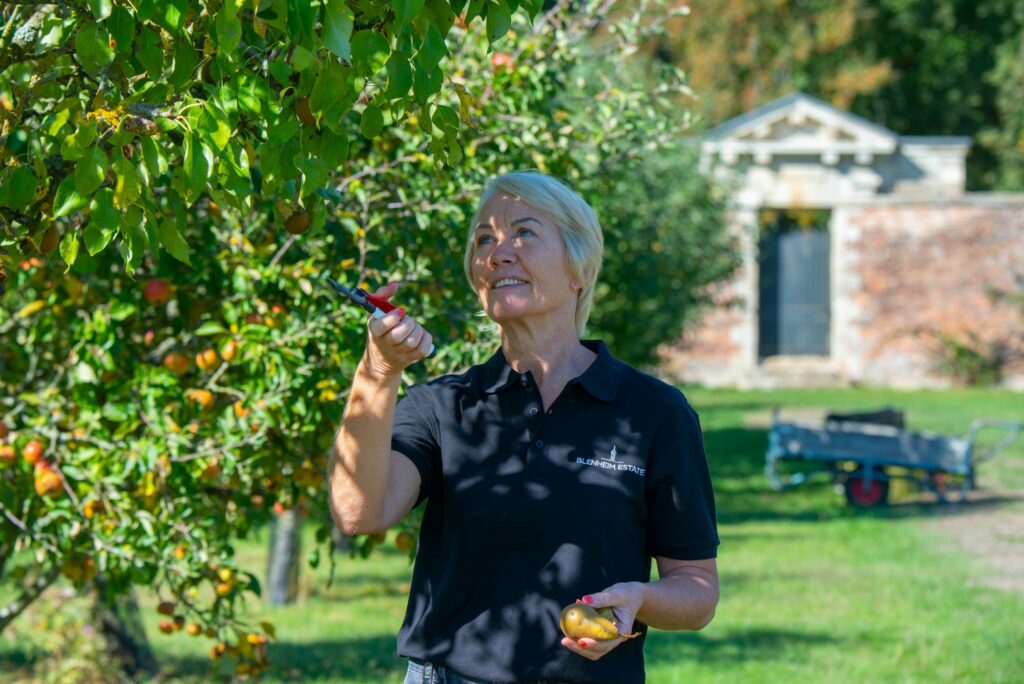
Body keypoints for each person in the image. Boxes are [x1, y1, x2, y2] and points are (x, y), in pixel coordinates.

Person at [329, 171, 719, 684]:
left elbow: (696, 589)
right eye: (483, 239)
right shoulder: (444, 405)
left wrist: (642, 600)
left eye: (524, 233)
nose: (497, 252)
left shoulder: (654, 413)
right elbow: (357, 512)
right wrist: (378, 371)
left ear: (578, 266)